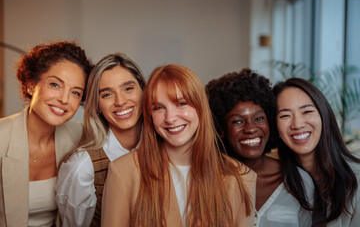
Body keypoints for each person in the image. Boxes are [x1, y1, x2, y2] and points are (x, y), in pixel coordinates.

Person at [102, 64, 256, 227]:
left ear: (200, 106)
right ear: (150, 116)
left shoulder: (242, 178)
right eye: (159, 107)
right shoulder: (123, 172)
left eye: (181, 103)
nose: (170, 118)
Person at [0, 41, 93, 227]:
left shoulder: (80, 137)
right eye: (55, 85)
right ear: (31, 85)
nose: (64, 99)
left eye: (75, 92)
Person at [206, 69, 313, 227]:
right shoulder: (206, 181)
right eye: (238, 121)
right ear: (221, 129)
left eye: (259, 118)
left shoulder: (298, 181)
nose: (251, 128)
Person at [56, 53, 146, 226]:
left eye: (128, 88)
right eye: (107, 95)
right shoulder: (82, 167)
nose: (120, 101)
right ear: (97, 105)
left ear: (143, 91)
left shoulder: (164, 147)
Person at [273, 77, 360, 226]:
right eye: (285, 115)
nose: (298, 124)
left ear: (323, 115)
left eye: (306, 111)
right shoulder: (273, 179)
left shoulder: (356, 178)